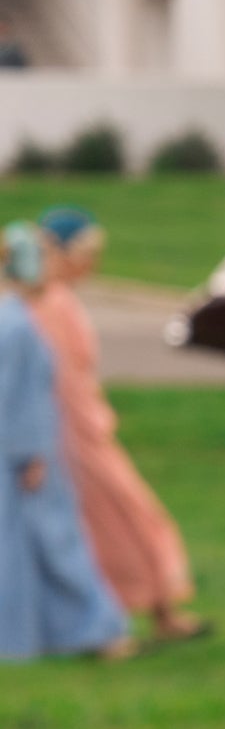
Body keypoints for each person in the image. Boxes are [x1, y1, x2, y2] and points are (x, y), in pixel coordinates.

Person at [31, 208, 207, 644]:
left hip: (84, 431)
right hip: (72, 437)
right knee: (123, 520)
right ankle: (127, 619)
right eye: (88, 253)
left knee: (126, 519)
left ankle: (154, 612)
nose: (94, 263)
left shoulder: (57, 301)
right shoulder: (48, 304)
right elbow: (54, 382)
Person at [0, 223, 129, 661]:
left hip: (22, 453)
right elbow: (17, 397)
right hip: (22, 458)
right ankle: (94, 632)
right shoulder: (14, 322)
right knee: (54, 545)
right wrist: (30, 452)